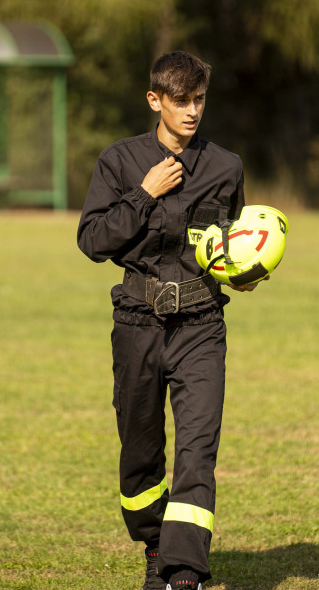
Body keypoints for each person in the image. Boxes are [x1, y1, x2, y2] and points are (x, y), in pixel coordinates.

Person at [77, 51, 261, 590]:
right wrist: (143, 193)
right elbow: (92, 241)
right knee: (139, 453)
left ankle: (183, 571)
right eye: (181, 101)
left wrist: (242, 274)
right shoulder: (119, 161)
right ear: (155, 100)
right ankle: (154, 541)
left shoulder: (227, 167)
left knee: (198, 445)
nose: (192, 111)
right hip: (136, 321)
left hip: (202, 323)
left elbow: (228, 247)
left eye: (200, 99)